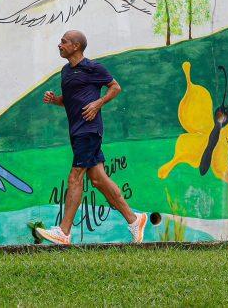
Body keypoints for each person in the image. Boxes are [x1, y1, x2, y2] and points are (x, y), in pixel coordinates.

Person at [34, 30, 147, 245]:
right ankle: (135, 220)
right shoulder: (66, 71)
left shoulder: (93, 67)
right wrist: (55, 100)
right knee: (98, 179)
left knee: (75, 177)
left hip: (89, 129)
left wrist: (98, 103)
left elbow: (116, 87)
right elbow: (70, 100)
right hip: (77, 131)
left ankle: (64, 232)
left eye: (64, 42)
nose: (59, 45)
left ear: (76, 46)